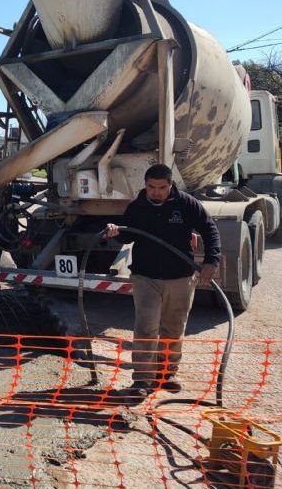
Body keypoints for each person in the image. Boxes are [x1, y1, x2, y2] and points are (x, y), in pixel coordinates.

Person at [104, 164, 220, 397]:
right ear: (145, 185)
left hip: (181, 277)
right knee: (146, 327)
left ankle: (166, 374)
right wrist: (115, 231)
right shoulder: (137, 207)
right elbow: (128, 234)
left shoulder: (186, 204)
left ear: (171, 185)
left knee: (173, 328)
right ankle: (141, 381)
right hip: (146, 277)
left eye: (161, 187)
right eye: (151, 187)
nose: (156, 192)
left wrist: (212, 260)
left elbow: (209, 228)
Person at [0, 181, 34, 301]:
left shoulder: (13, 188)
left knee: (20, 260)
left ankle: (28, 287)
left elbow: (30, 189)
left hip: (8, 233)